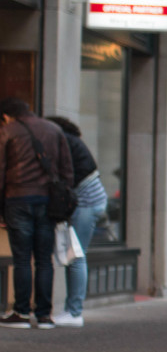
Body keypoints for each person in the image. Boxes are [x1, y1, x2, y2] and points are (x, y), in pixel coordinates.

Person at [0, 97, 74, 329]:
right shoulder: (54, 129)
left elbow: (1, 170)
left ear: (7, 116)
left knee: (22, 259)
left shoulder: (7, 131)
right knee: (44, 260)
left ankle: (21, 313)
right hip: (47, 201)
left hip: (18, 198)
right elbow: (67, 170)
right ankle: (44, 315)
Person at [47, 116, 110, 327]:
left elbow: (67, 175)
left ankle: (74, 312)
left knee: (76, 256)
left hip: (86, 203)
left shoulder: (62, 140)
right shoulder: (71, 140)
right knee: (75, 255)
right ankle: (72, 310)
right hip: (89, 201)